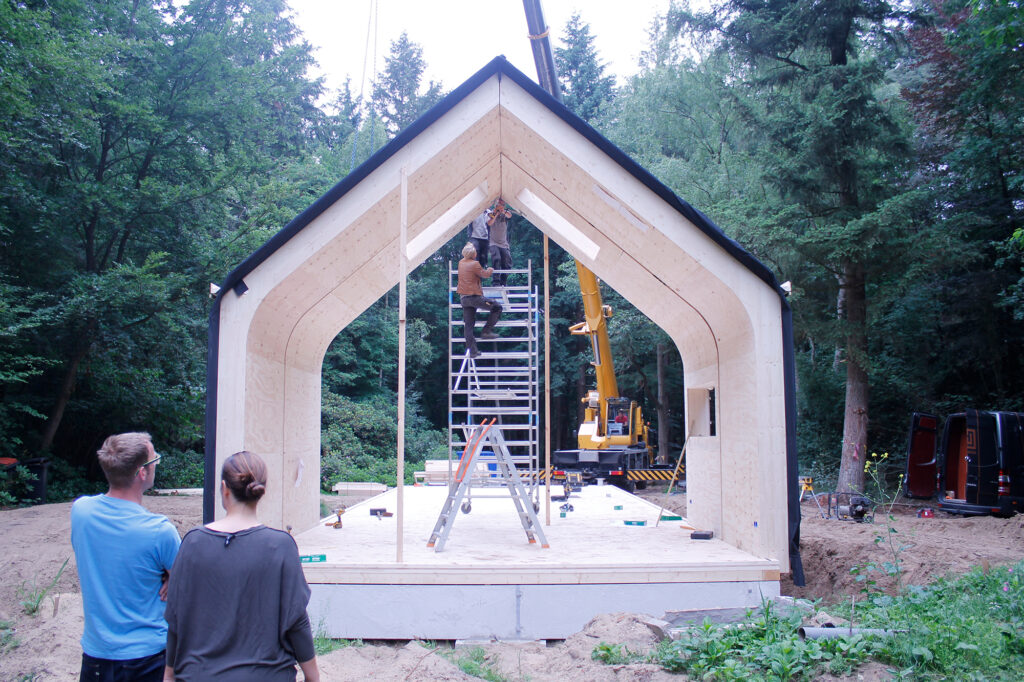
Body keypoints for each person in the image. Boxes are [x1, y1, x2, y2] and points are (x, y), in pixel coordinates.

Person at [163, 451, 319, 682]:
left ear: (224, 488)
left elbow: (176, 617)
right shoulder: (281, 546)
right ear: (261, 491)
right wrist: (312, 677)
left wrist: (168, 675)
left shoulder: (193, 542)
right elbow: (296, 620)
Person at [71, 431, 182, 682]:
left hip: (95, 659)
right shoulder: (159, 531)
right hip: (148, 660)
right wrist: (170, 576)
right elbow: (187, 584)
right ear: (142, 472)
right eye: (155, 460)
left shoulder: (81, 512)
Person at [457, 241, 502, 359]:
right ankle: (486, 331)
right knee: (496, 306)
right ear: (473, 254)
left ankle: (472, 352)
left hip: (464, 299)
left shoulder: (461, 263)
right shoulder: (474, 264)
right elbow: (485, 274)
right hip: (474, 297)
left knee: (469, 326)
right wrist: (491, 270)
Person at [487, 199, 513, 286]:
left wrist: (502, 211)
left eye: (502, 204)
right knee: (496, 259)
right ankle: (496, 282)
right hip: (493, 242)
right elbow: (490, 223)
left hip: (503, 243)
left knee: (507, 263)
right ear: (495, 205)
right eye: (499, 204)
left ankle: (503, 282)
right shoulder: (491, 213)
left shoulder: (505, 213)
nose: (500, 206)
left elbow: (510, 216)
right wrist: (496, 213)